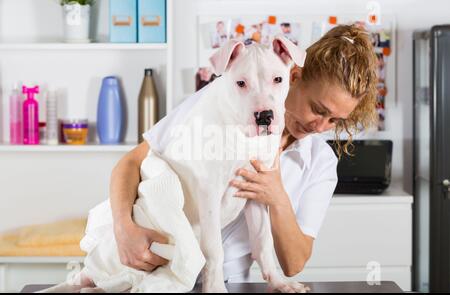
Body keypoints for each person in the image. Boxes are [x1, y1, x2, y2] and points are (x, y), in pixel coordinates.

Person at [109, 24, 378, 281]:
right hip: (155, 264)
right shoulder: (217, 104)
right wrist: (123, 229)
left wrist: (277, 196)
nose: (320, 126)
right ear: (293, 77)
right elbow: (133, 161)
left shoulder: (320, 161)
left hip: (232, 282)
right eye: (318, 109)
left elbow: (294, 264)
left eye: (335, 121)